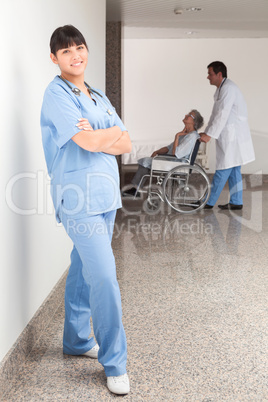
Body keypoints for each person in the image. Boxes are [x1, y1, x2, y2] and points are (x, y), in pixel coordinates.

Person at [40, 25, 131, 395]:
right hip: (78, 198)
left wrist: (102, 133)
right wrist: (104, 133)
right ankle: (116, 362)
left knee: (82, 269)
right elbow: (88, 140)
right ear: (54, 58)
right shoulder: (55, 94)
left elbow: (125, 141)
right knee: (105, 277)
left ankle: (76, 341)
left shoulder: (97, 95)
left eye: (79, 47)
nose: (75, 55)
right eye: (66, 51)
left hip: (106, 196)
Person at [200, 61, 255, 210]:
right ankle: (236, 202)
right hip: (229, 135)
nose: (207, 77)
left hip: (233, 136)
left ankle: (208, 202)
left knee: (223, 169)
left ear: (219, 74)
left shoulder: (229, 89)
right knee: (234, 169)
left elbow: (223, 114)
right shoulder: (221, 89)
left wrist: (210, 135)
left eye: (210, 74)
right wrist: (207, 131)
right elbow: (215, 114)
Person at [122, 110, 204, 197]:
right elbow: (168, 148)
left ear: (194, 122)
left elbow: (176, 153)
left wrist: (177, 136)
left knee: (146, 162)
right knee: (146, 161)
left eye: (190, 115)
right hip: (172, 161)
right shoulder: (185, 135)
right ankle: (136, 189)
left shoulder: (191, 136)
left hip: (176, 163)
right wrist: (156, 152)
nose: (186, 115)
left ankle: (136, 189)